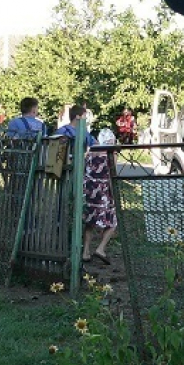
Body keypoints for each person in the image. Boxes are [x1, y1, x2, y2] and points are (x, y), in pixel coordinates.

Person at [55, 105, 117, 264]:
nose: (86, 120)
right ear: (78, 117)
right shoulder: (66, 133)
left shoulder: (73, 134)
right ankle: (92, 249)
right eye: (84, 116)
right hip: (72, 177)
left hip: (82, 181)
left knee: (85, 217)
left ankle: (84, 251)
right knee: (104, 218)